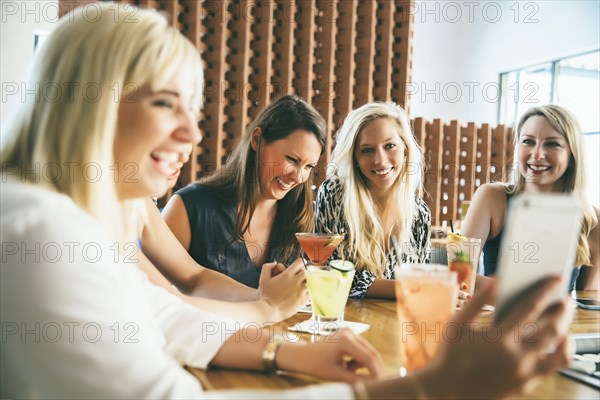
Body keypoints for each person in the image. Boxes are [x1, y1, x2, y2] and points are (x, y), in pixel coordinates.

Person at [0, 3, 572, 398]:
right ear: (89, 102)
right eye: (163, 104)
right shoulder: (38, 230)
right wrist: (425, 388)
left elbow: (161, 317)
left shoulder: (76, 219)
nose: (192, 135)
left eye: (192, 110)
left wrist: (285, 351)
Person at [163, 94, 325, 288]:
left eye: (309, 167)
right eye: (292, 160)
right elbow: (151, 296)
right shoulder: (189, 207)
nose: (298, 177)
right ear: (257, 140)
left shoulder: (299, 217)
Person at [316, 102, 469, 302]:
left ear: (405, 148)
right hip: (345, 325)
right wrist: (422, 288)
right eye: (367, 150)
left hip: (396, 325)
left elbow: (418, 282)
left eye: (390, 146)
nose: (380, 160)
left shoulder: (419, 213)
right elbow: (332, 276)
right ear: (354, 157)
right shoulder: (334, 195)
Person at [462, 105, 599, 291]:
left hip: (558, 321)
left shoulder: (592, 219)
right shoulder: (492, 198)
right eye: (528, 141)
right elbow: (460, 276)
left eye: (552, 143)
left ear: (572, 155)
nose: (537, 154)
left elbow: (588, 301)